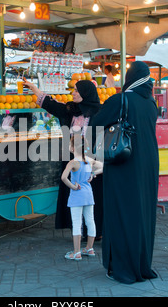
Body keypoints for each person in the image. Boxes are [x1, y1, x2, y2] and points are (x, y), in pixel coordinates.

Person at [90, 61, 159, 284]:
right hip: (148, 165)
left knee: (121, 214)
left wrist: (97, 151)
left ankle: (122, 268)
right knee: (143, 214)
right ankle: (141, 265)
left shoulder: (122, 100)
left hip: (124, 165)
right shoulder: (151, 103)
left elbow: (95, 124)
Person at [23, 78, 104, 238]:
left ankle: (96, 232)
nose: (73, 93)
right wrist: (33, 87)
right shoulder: (70, 109)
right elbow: (49, 103)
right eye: (73, 90)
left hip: (91, 164)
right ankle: (79, 231)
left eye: (76, 90)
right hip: (73, 163)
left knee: (94, 196)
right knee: (74, 195)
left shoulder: (100, 113)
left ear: (85, 93)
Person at [61, 132, 103, 260]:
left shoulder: (72, 163)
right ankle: (89, 248)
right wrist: (93, 174)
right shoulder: (89, 161)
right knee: (90, 221)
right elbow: (103, 166)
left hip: (76, 196)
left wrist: (73, 187)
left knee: (77, 223)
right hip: (88, 195)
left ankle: (77, 252)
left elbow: (63, 177)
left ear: (73, 148)